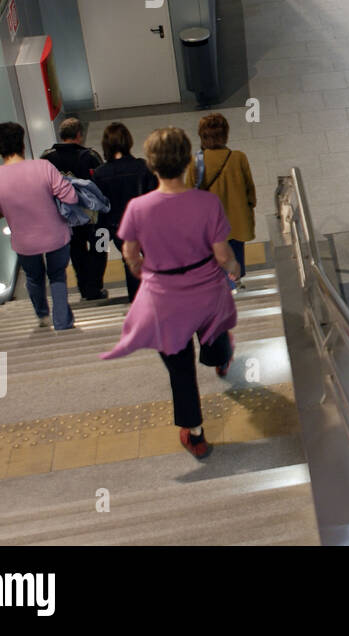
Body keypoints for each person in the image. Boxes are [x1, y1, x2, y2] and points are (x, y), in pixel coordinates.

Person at [103, 127, 239, 460]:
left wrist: (138, 268)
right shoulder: (206, 202)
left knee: (180, 368)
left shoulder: (138, 207)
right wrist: (233, 266)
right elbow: (222, 255)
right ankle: (220, 357)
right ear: (186, 162)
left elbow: (129, 252)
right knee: (215, 333)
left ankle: (195, 434)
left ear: (152, 165)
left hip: (164, 299)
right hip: (206, 291)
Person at [0, 122, 78, 330]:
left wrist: (2, 213)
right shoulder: (43, 167)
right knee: (57, 275)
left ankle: (42, 316)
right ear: (22, 145)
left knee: (33, 277)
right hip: (56, 235)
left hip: (24, 241)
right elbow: (71, 197)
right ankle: (62, 322)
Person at [185, 113, 256, 289]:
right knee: (235, 256)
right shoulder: (238, 157)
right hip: (237, 220)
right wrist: (247, 206)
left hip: (211, 224)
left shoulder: (196, 162)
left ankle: (223, 288)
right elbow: (250, 192)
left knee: (216, 258)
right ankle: (235, 283)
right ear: (225, 134)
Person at [41, 116, 107, 301]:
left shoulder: (47, 158)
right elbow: (102, 184)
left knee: (76, 251)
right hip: (94, 218)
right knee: (100, 248)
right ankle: (93, 287)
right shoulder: (90, 156)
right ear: (79, 135)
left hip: (65, 218)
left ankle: (85, 287)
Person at [92, 122, 157, 303]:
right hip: (144, 224)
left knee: (129, 261)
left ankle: (138, 302)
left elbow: (99, 207)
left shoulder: (100, 173)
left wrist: (100, 239)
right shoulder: (143, 167)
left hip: (118, 227)